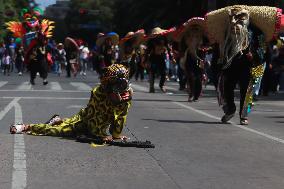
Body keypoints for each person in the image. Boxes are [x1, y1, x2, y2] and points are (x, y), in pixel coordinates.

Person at [10, 64, 133, 142]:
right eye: (115, 85)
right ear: (107, 84)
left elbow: (118, 122)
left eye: (122, 85)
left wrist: (117, 134)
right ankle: (25, 126)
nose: (120, 88)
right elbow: (94, 122)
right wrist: (100, 135)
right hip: (84, 121)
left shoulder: (125, 96)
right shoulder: (98, 93)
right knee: (58, 131)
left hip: (91, 125)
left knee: (64, 124)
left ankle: (58, 119)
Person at [205, 5, 283, 125]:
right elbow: (219, 48)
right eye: (233, 17)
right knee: (226, 87)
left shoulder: (257, 32)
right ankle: (230, 110)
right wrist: (218, 63)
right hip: (230, 63)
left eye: (240, 17)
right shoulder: (228, 31)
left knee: (247, 91)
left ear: (247, 18)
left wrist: (255, 55)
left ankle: (244, 115)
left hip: (249, 65)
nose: (235, 21)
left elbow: (262, 49)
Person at [175, 17, 206, 102]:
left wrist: (202, 48)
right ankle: (191, 94)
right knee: (190, 76)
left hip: (199, 58)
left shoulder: (203, 36)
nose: (194, 30)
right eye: (193, 29)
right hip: (189, 58)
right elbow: (181, 47)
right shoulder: (186, 37)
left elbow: (207, 45)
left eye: (196, 29)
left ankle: (196, 95)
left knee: (199, 77)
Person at [146, 27, 175, 93]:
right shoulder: (151, 40)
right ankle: (151, 87)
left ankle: (161, 85)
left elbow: (168, 48)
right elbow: (148, 50)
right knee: (152, 72)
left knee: (164, 72)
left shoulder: (164, 39)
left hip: (161, 57)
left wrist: (171, 58)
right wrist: (146, 59)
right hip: (153, 58)